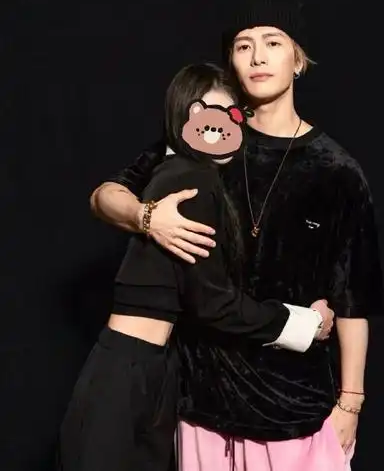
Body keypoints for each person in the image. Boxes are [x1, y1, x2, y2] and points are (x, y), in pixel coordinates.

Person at [91, 0, 384, 471]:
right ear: (231, 61)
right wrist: (148, 216)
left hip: (294, 408)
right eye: (244, 46)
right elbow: (104, 196)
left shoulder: (337, 171)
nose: (258, 56)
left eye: (273, 43)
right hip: (202, 403)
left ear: (298, 60)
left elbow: (354, 299)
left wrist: (350, 404)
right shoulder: (203, 138)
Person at [57, 62, 335, 471]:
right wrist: (306, 325)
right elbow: (213, 304)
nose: (227, 128)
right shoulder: (188, 178)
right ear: (190, 114)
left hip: (155, 367)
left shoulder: (195, 173)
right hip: (128, 368)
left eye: (234, 117)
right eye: (214, 115)